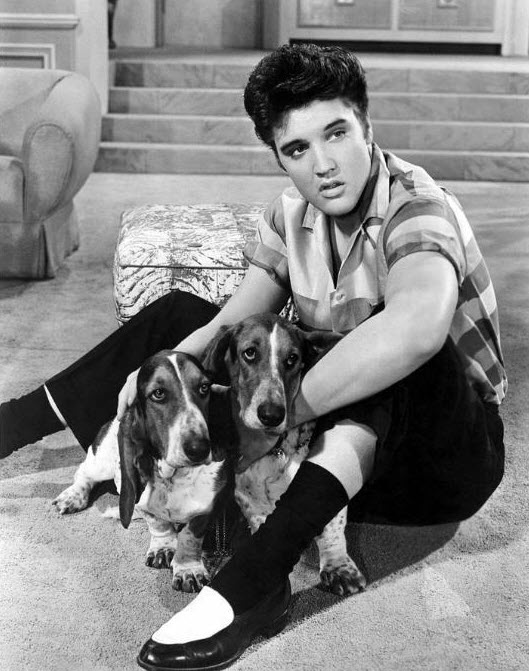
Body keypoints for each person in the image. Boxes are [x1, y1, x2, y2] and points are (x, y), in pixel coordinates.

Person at [0, 44, 506, 670]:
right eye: (297, 149)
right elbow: (227, 324)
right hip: (337, 464)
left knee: (385, 343)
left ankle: (254, 583)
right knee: (180, 317)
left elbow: (417, 330)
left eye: (337, 133)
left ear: (366, 126)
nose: (323, 165)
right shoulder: (289, 211)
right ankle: (12, 425)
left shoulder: (416, 205)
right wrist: (149, 372)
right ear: (278, 156)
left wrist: (276, 419)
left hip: (439, 460)